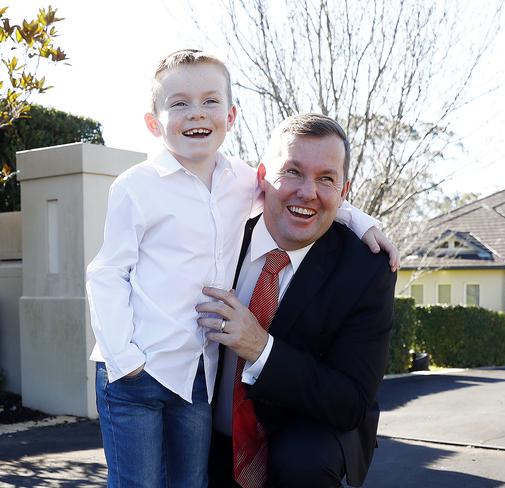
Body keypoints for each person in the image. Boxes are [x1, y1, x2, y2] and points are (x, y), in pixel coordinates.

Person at [86, 51, 397, 488]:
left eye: (210, 101)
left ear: (230, 115)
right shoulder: (143, 188)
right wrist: (125, 360)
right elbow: (106, 272)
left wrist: (362, 220)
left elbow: (307, 192)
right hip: (142, 367)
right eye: (179, 103)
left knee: (198, 480)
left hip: (214, 383)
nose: (196, 112)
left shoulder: (243, 185)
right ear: (154, 122)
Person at [198, 113, 397, 488]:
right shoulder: (218, 237)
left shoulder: (367, 270)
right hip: (212, 429)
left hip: (310, 428)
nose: (308, 192)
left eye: (327, 179)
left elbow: (349, 401)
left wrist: (260, 348)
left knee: (302, 463)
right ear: (261, 178)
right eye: (292, 172)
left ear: (344, 191)